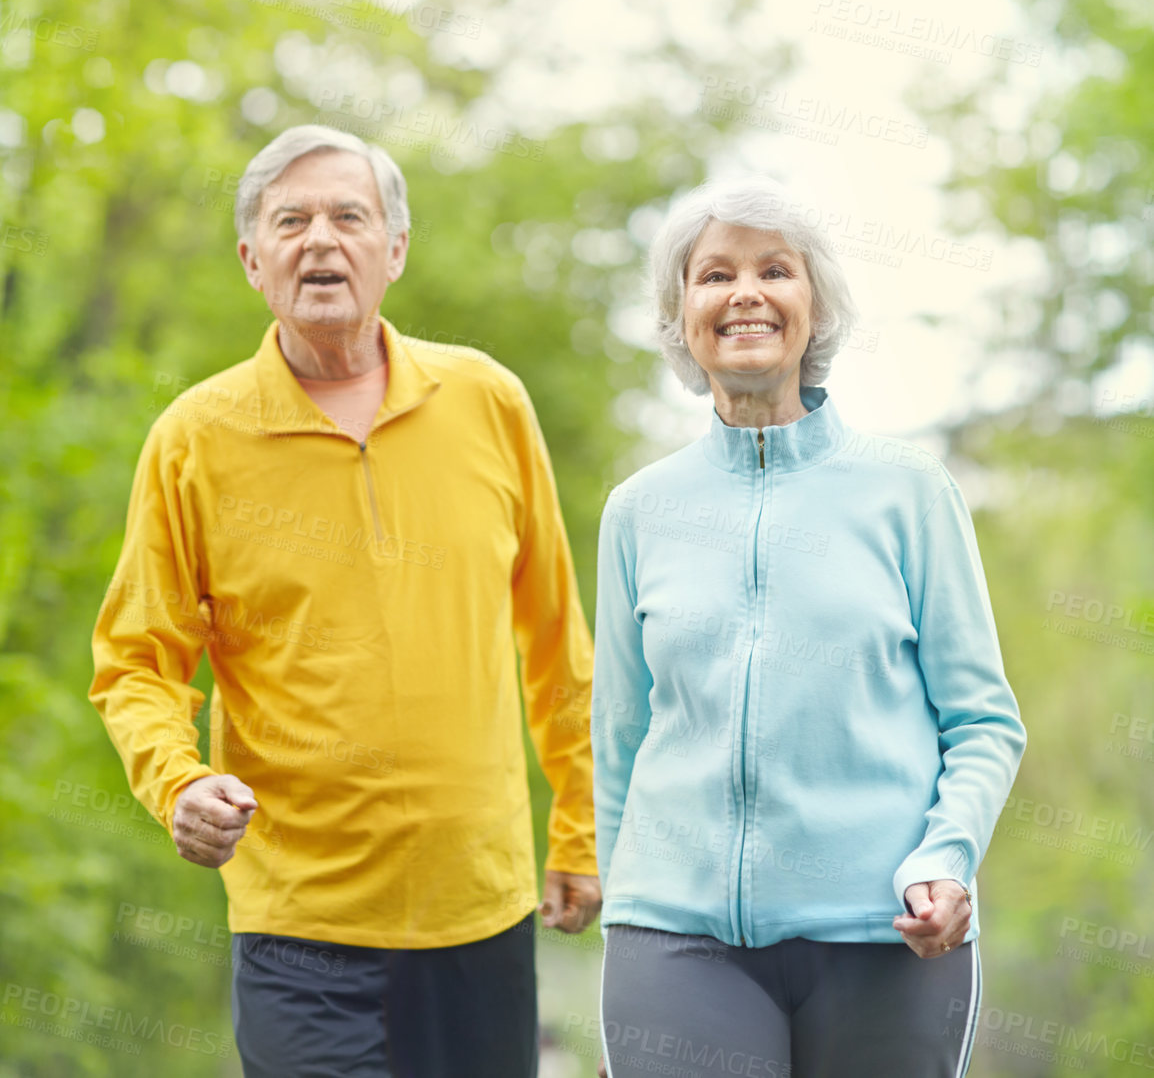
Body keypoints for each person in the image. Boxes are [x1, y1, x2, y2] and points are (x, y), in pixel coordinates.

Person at [91, 124, 601, 1078]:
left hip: (478, 907)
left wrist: (581, 821)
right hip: (299, 920)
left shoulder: (487, 400)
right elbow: (136, 661)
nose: (319, 239)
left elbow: (555, 638)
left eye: (347, 216)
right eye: (291, 220)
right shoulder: (194, 439)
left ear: (393, 249)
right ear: (253, 260)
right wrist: (180, 780)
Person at [592, 179, 1026, 1078]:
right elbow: (619, 737)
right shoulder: (639, 511)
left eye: (774, 270)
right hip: (677, 942)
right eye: (715, 274)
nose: (745, 293)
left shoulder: (909, 493)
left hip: (886, 937)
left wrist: (945, 859)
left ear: (814, 304)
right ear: (683, 314)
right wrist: (626, 909)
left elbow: (983, 723)